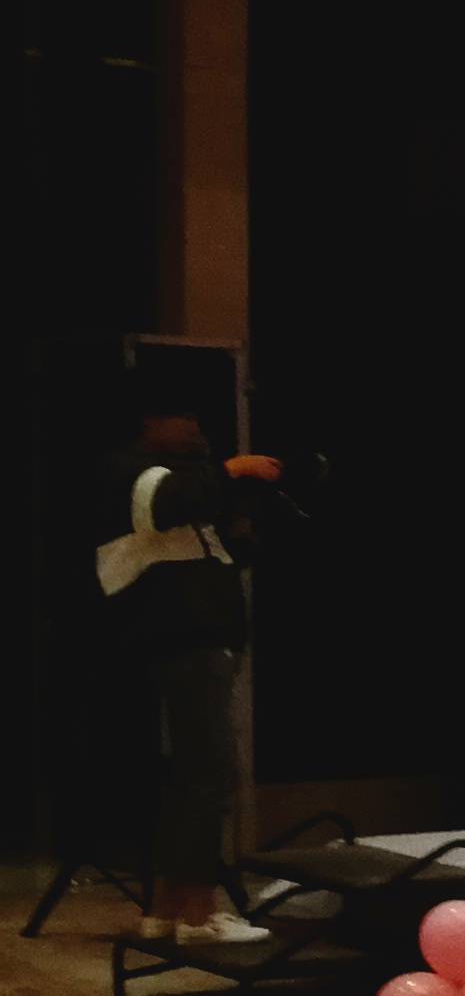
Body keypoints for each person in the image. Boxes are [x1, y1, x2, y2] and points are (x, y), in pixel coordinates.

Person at [95, 402, 282, 947]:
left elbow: (219, 548)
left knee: (191, 779)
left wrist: (242, 519)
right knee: (208, 775)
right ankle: (200, 915)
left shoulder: (180, 480)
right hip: (185, 639)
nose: (197, 428)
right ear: (147, 423)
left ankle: (165, 910)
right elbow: (168, 504)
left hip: (194, 639)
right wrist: (233, 469)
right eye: (183, 418)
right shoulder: (133, 470)